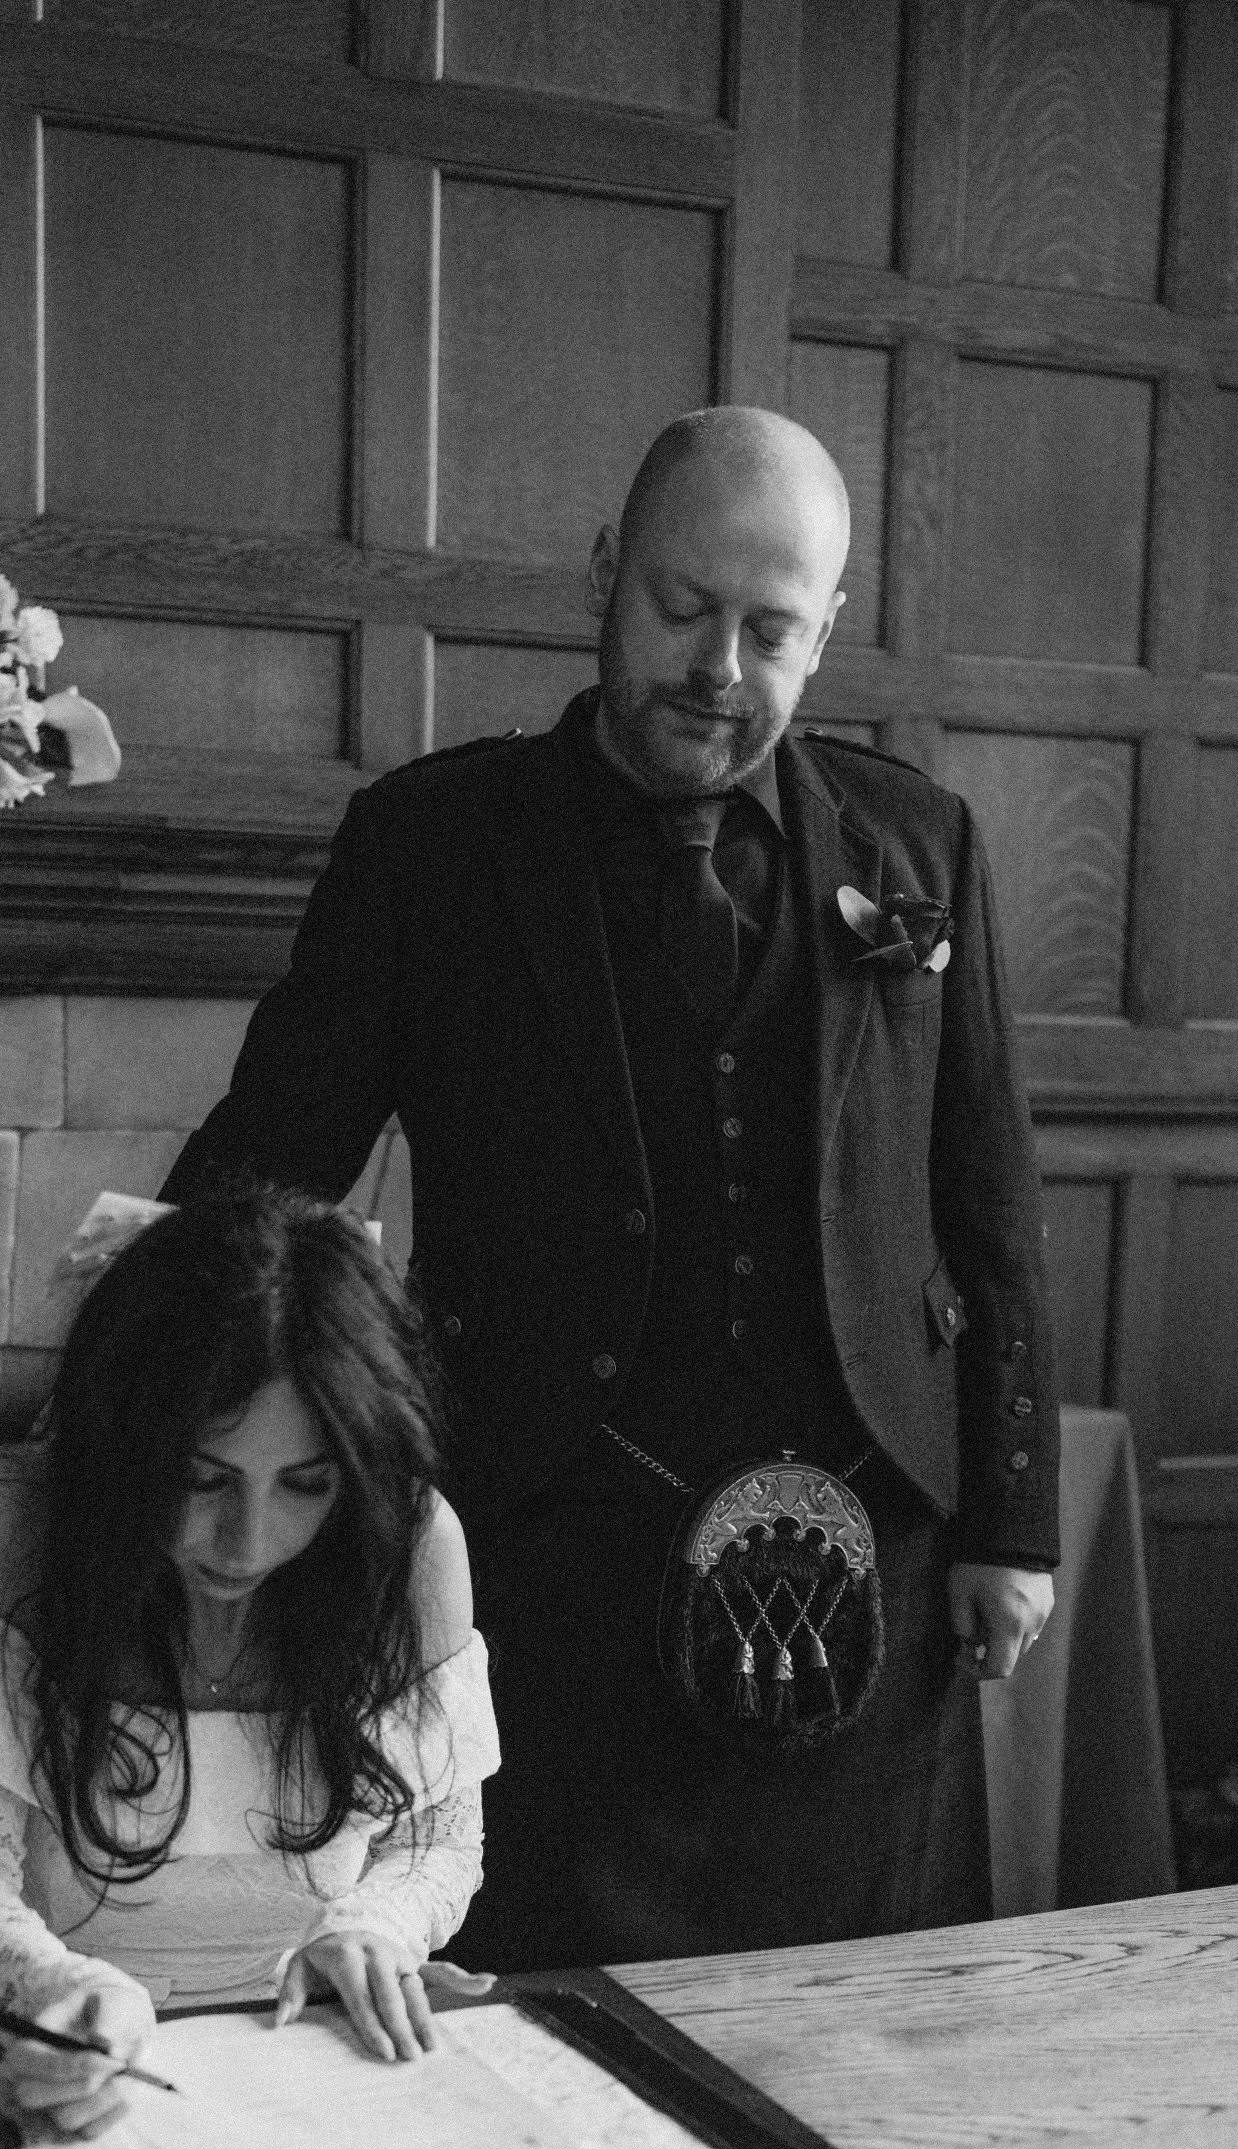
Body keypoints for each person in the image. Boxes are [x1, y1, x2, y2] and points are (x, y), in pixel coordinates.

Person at [165, 404, 1058, 1970]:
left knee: (857, 2025)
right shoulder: (431, 846)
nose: (720, 667)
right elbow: (269, 1169)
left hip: (874, 1570)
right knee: (546, 2013)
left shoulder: (924, 847)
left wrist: (1014, 1519)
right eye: (681, 608)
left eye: (770, 629)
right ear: (603, 573)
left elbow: (989, 1208)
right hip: (540, 1546)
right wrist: (134, 1393)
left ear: (828, 629)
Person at [0, 1181, 499, 2126]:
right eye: (199, 1479)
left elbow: (439, 1838)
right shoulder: (20, 1527)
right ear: (125, 1442)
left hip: (294, 2054)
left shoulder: (409, 1544)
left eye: (305, 1485)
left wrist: (375, 1928)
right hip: (29, 2043)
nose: (244, 1543)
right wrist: (62, 1991)